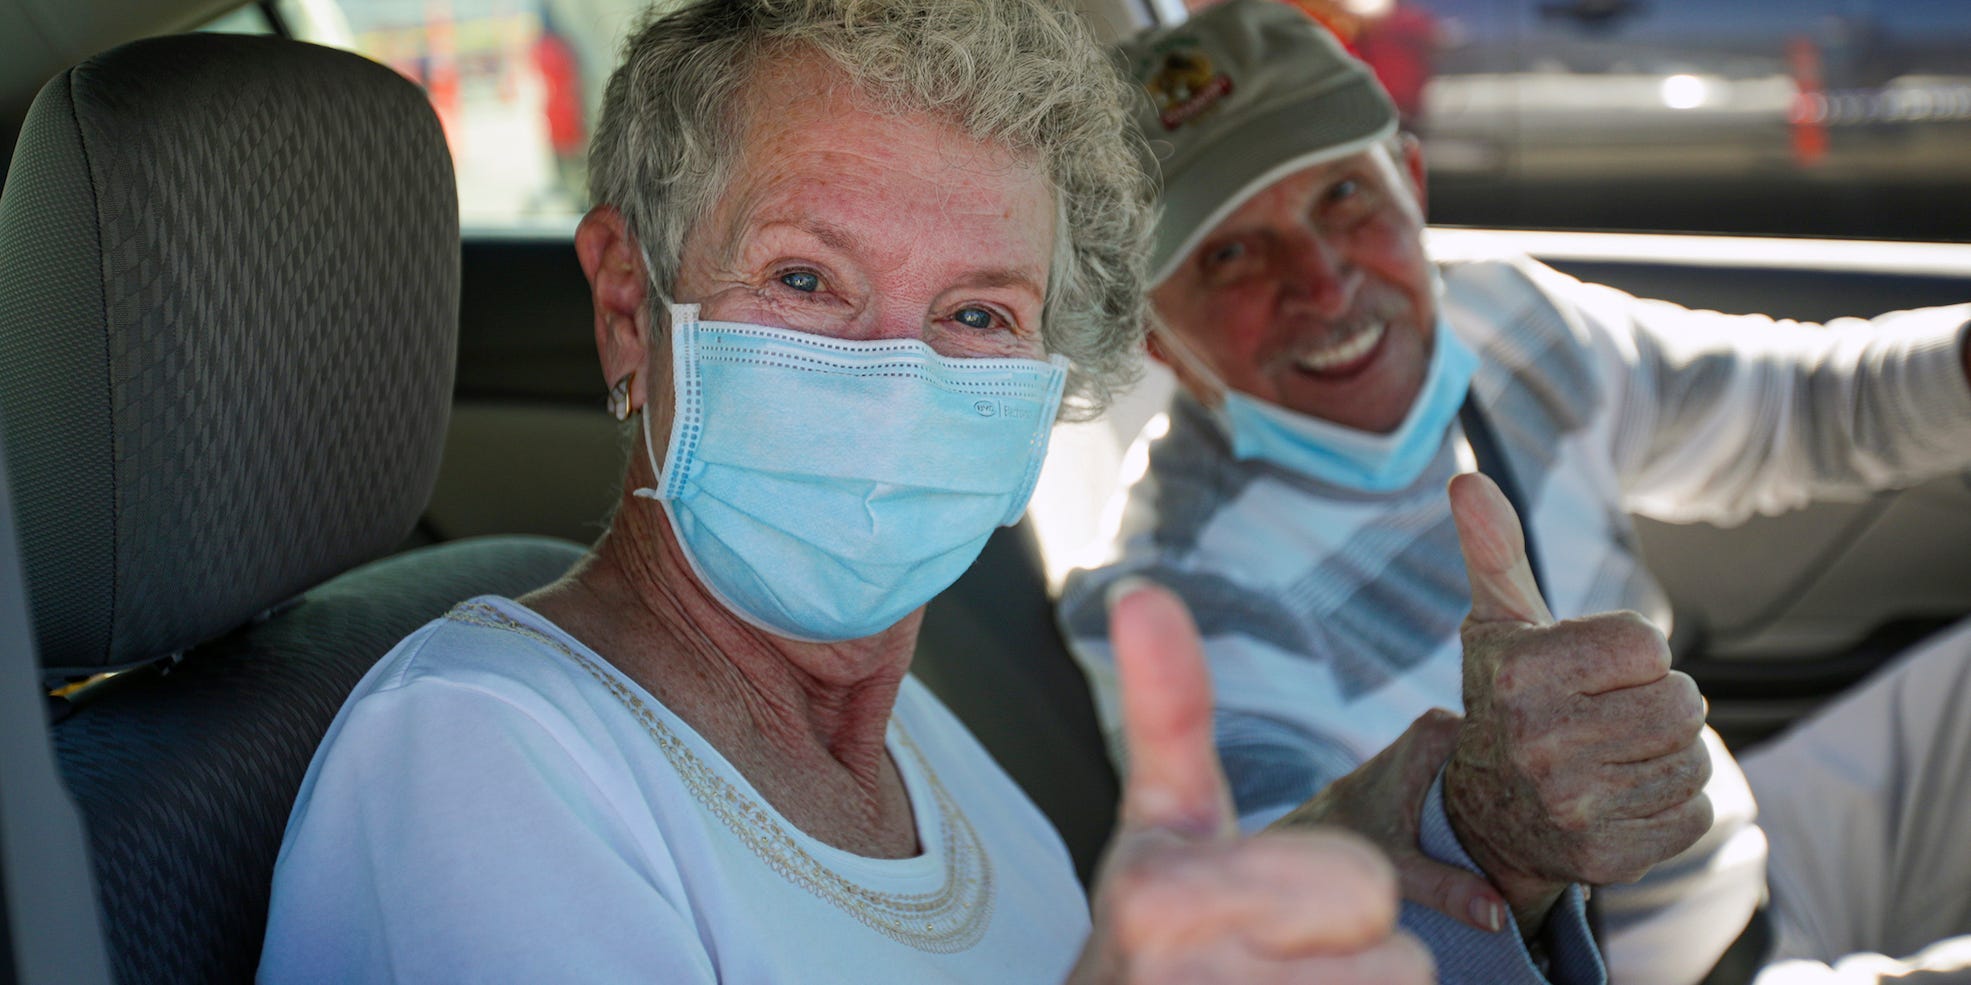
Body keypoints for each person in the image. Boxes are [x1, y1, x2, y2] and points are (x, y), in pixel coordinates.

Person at [257, 1, 1440, 982]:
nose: (893, 381)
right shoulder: (476, 758)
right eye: (807, 280)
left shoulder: (923, 740)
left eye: (979, 313)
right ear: (629, 305)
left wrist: (1423, 828)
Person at [1059, 1, 1971, 983]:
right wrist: (1489, 824)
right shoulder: (1177, 602)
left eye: (1342, 199)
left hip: (1754, 865)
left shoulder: (1505, 322)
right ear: (1157, 335)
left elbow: (1803, 412)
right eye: (1232, 255)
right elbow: (1297, 913)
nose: (1323, 284)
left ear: (1408, 183)